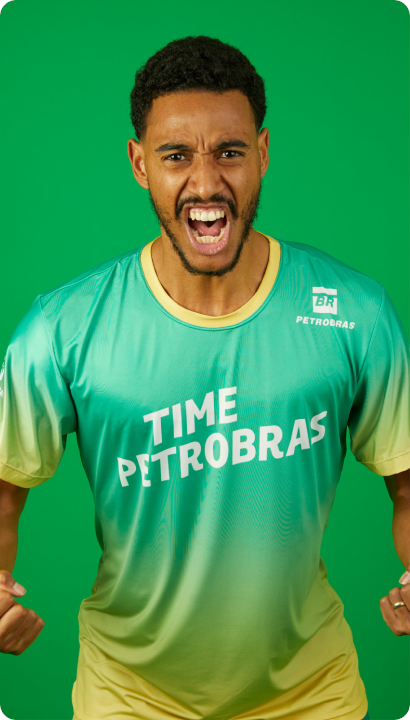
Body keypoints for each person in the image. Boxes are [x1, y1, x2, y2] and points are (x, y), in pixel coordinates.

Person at [0, 35, 408, 720]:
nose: (206, 182)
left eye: (229, 152)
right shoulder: (63, 328)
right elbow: (6, 487)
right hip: (128, 693)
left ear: (264, 154)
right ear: (138, 163)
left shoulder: (355, 312)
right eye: (175, 155)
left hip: (312, 693)